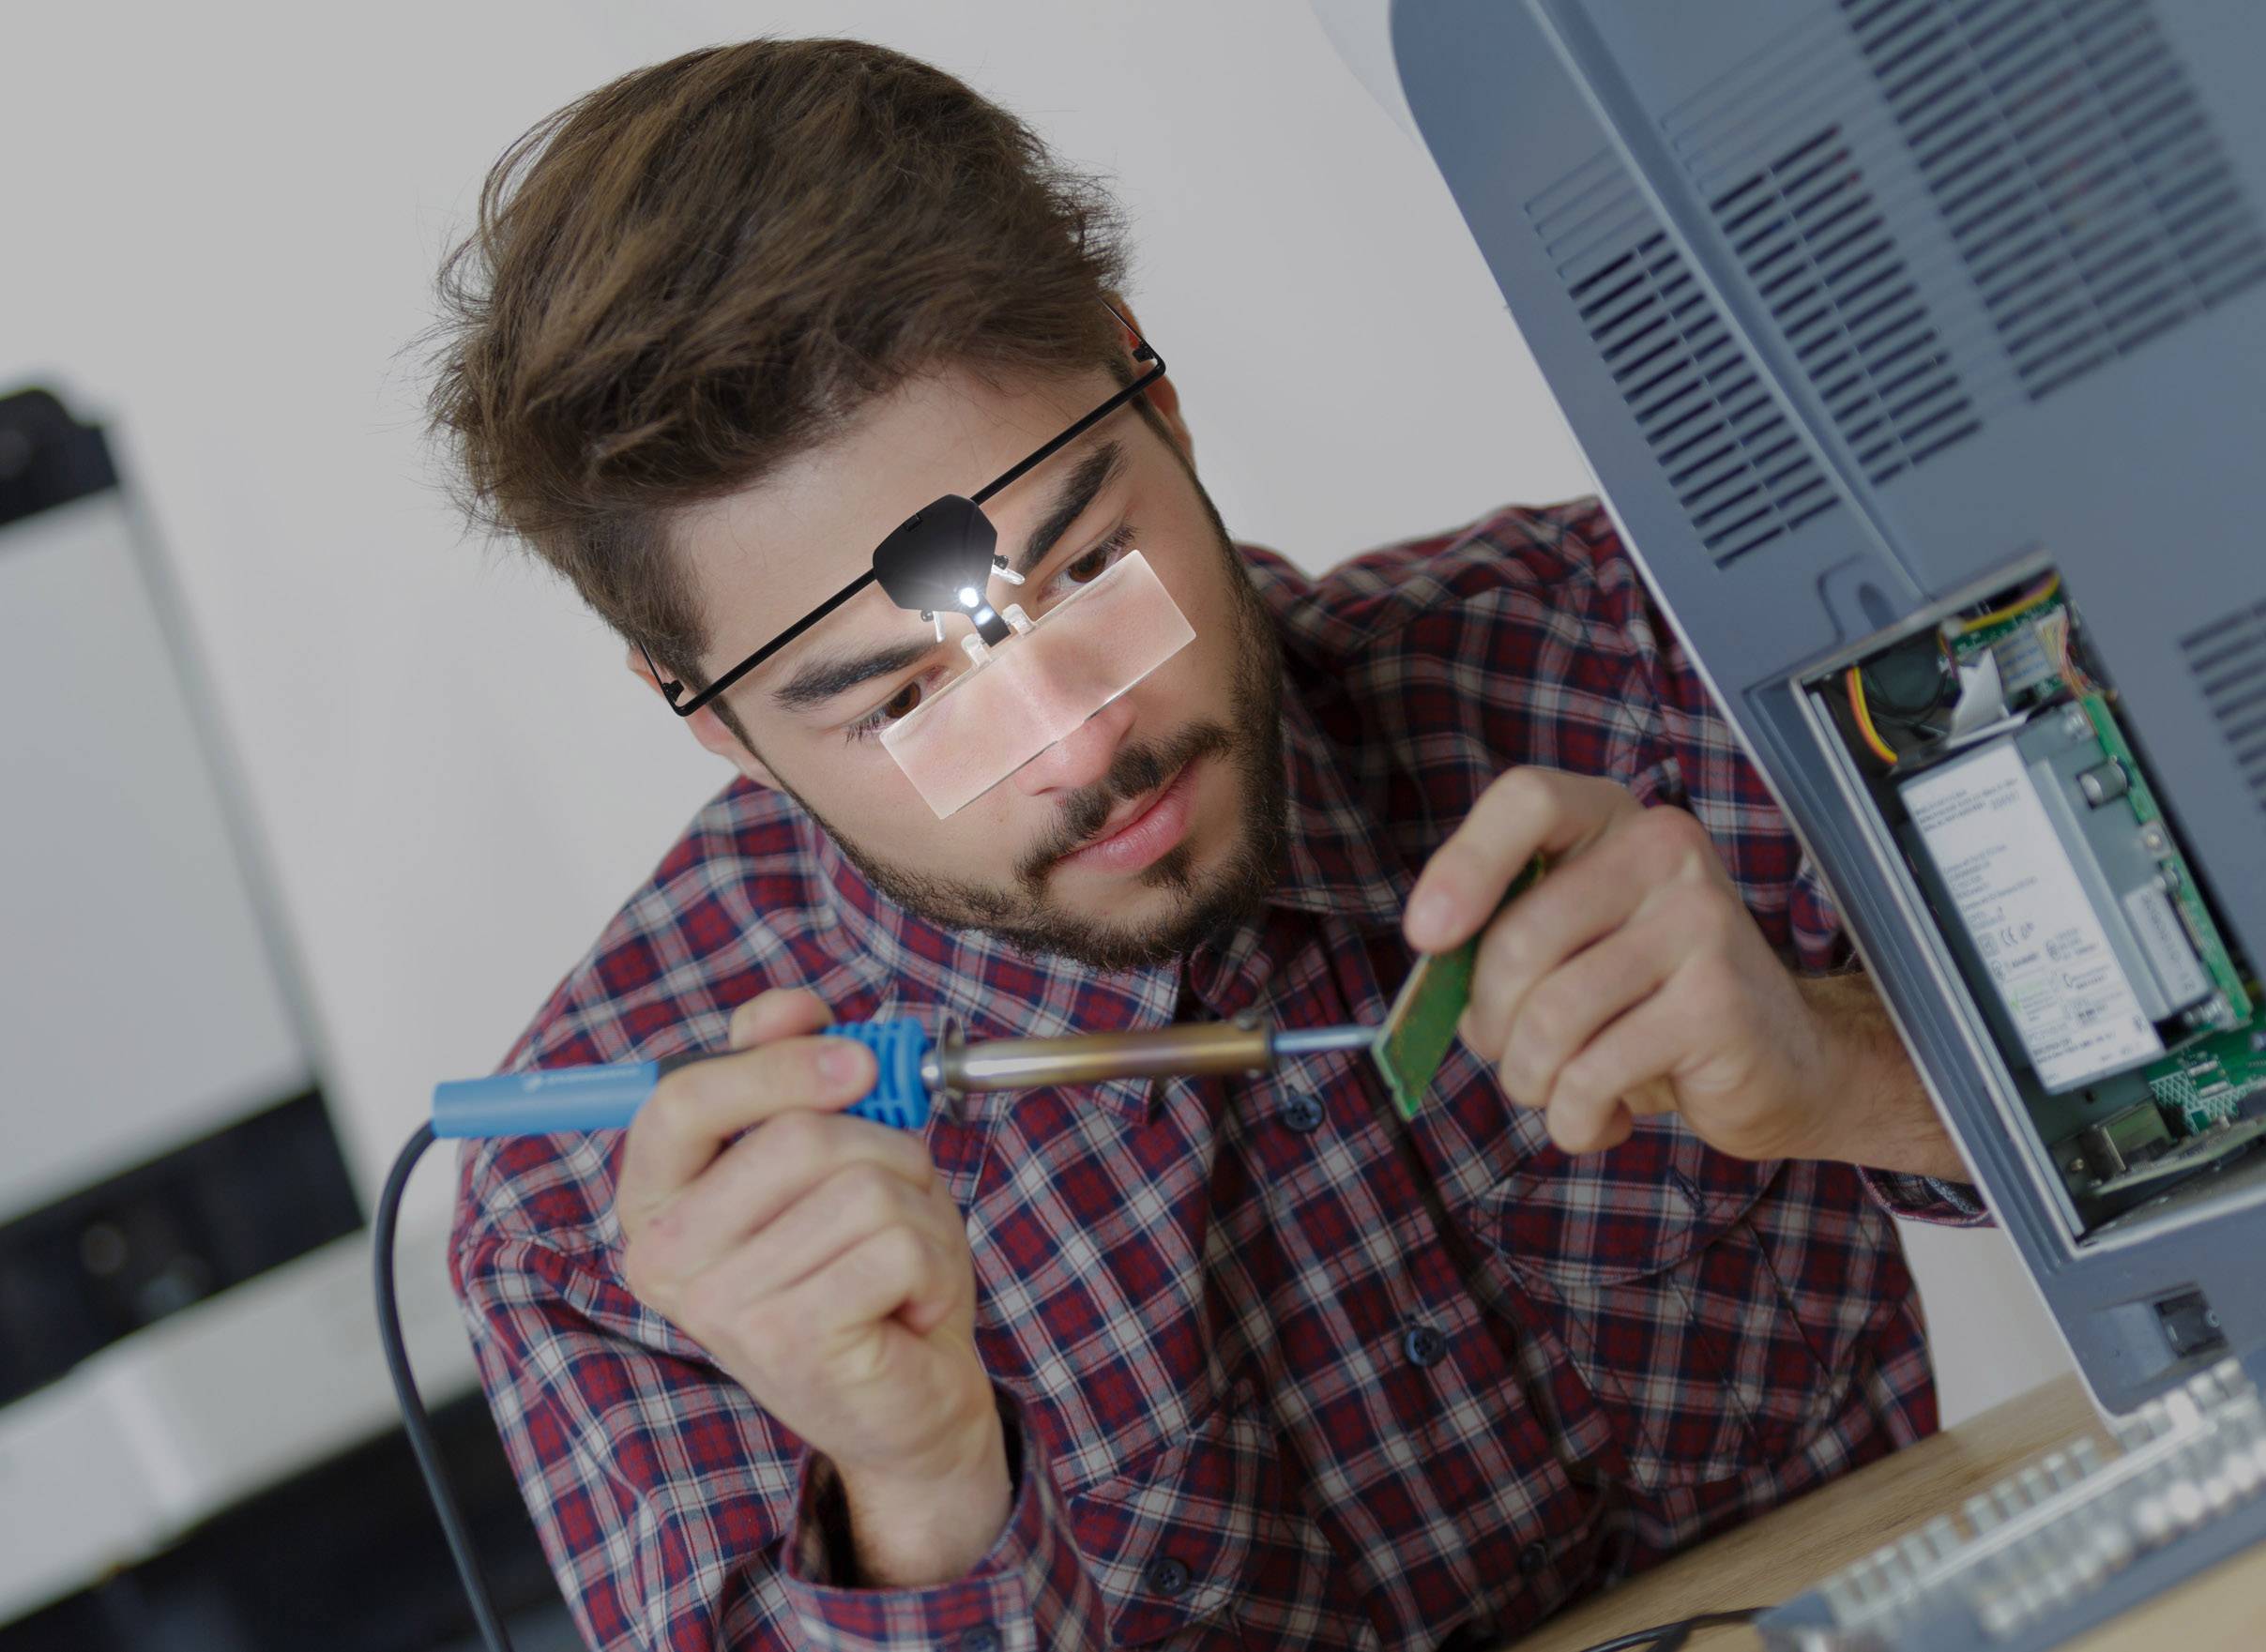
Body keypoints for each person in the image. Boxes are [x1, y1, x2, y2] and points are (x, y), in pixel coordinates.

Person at [429, 38, 1982, 1652]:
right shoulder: (595, 1224)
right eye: (903, 698)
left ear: (1151, 388)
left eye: (1090, 562)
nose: (1081, 739)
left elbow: (2239, 1093)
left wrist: (1851, 1063)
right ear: (712, 721)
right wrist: (917, 1496)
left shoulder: (1616, 654)